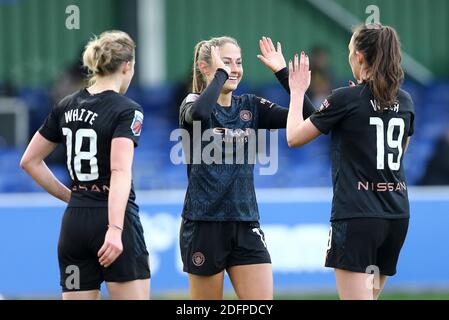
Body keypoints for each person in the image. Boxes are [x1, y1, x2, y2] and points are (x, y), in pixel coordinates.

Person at [178, 36, 316, 300]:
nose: (234, 68)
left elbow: (310, 118)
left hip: (245, 222)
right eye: (226, 62)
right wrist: (220, 74)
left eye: (238, 62)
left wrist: (284, 75)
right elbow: (199, 114)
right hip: (204, 224)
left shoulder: (250, 106)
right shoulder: (192, 102)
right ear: (205, 67)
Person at [286, 24, 414, 300]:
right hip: (396, 215)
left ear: (359, 56)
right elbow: (401, 151)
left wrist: (297, 92)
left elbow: (294, 138)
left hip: (357, 217)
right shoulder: (405, 101)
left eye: (348, 52)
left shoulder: (346, 97)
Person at [20, 30, 150, 300]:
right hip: (114, 221)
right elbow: (119, 171)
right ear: (127, 65)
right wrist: (115, 229)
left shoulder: (65, 105)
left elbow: (29, 161)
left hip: (75, 224)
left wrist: (73, 197)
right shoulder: (127, 109)